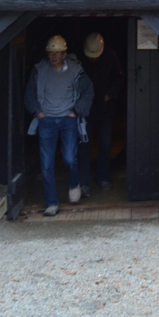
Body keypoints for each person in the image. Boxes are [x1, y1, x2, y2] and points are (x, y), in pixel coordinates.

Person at [24, 35, 94, 216]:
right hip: (46, 121)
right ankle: (52, 203)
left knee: (70, 158)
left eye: (57, 53)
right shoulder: (39, 70)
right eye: (51, 53)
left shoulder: (75, 70)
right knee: (46, 163)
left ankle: (73, 184)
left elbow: (89, 90)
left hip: (67, 120)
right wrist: (37, 112)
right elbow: (29, 94)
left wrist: (76, 111)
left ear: (64, 54)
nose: (53, 56)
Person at [78, 32, 124, 193]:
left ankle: (103, 177)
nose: (93, 59)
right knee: (84, 145)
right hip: (86, 109)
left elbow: (119, 78)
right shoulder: (79, 60)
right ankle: (83, 182)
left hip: (105, 109)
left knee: (105, 144)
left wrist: (110, 95)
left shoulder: (111, 57)